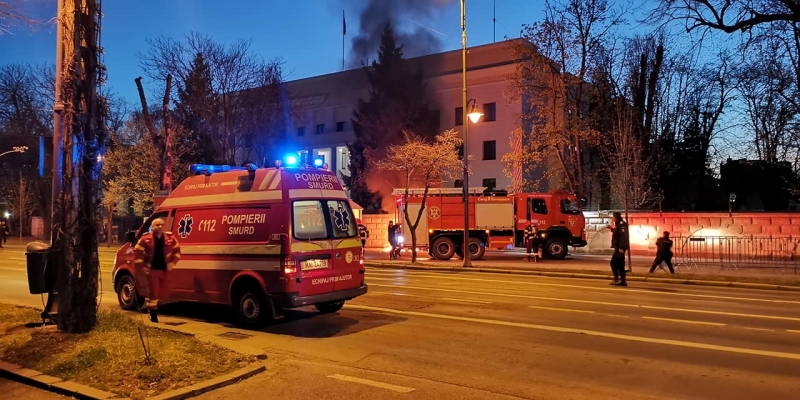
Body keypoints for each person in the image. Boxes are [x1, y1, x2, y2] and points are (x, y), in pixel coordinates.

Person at [133, 218, 181, 323]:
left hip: (165, 271)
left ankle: (153, 307)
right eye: (157, 225)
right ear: (152, 227)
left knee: (164, 293)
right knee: (154, 293)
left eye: (161, 225)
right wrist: (142, 267)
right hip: (153, 270)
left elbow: (177, 251)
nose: (160, 227)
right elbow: (137, 253)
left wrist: (173, 262)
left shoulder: (170, 238)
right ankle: (153, 315)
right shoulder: (145, 239)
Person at [609, 212, 630, 286]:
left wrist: (621, 247)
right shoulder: (618, 224)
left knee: (613, 263)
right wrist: (612, 229)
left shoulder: (621, 225)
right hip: (618, 247)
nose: (612, 218)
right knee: (620, 264)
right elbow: (618, 234)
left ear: (615, 217)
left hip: (620, 248)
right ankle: (622, 281)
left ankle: (617, 279)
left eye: (613, 217)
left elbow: (623, 237)